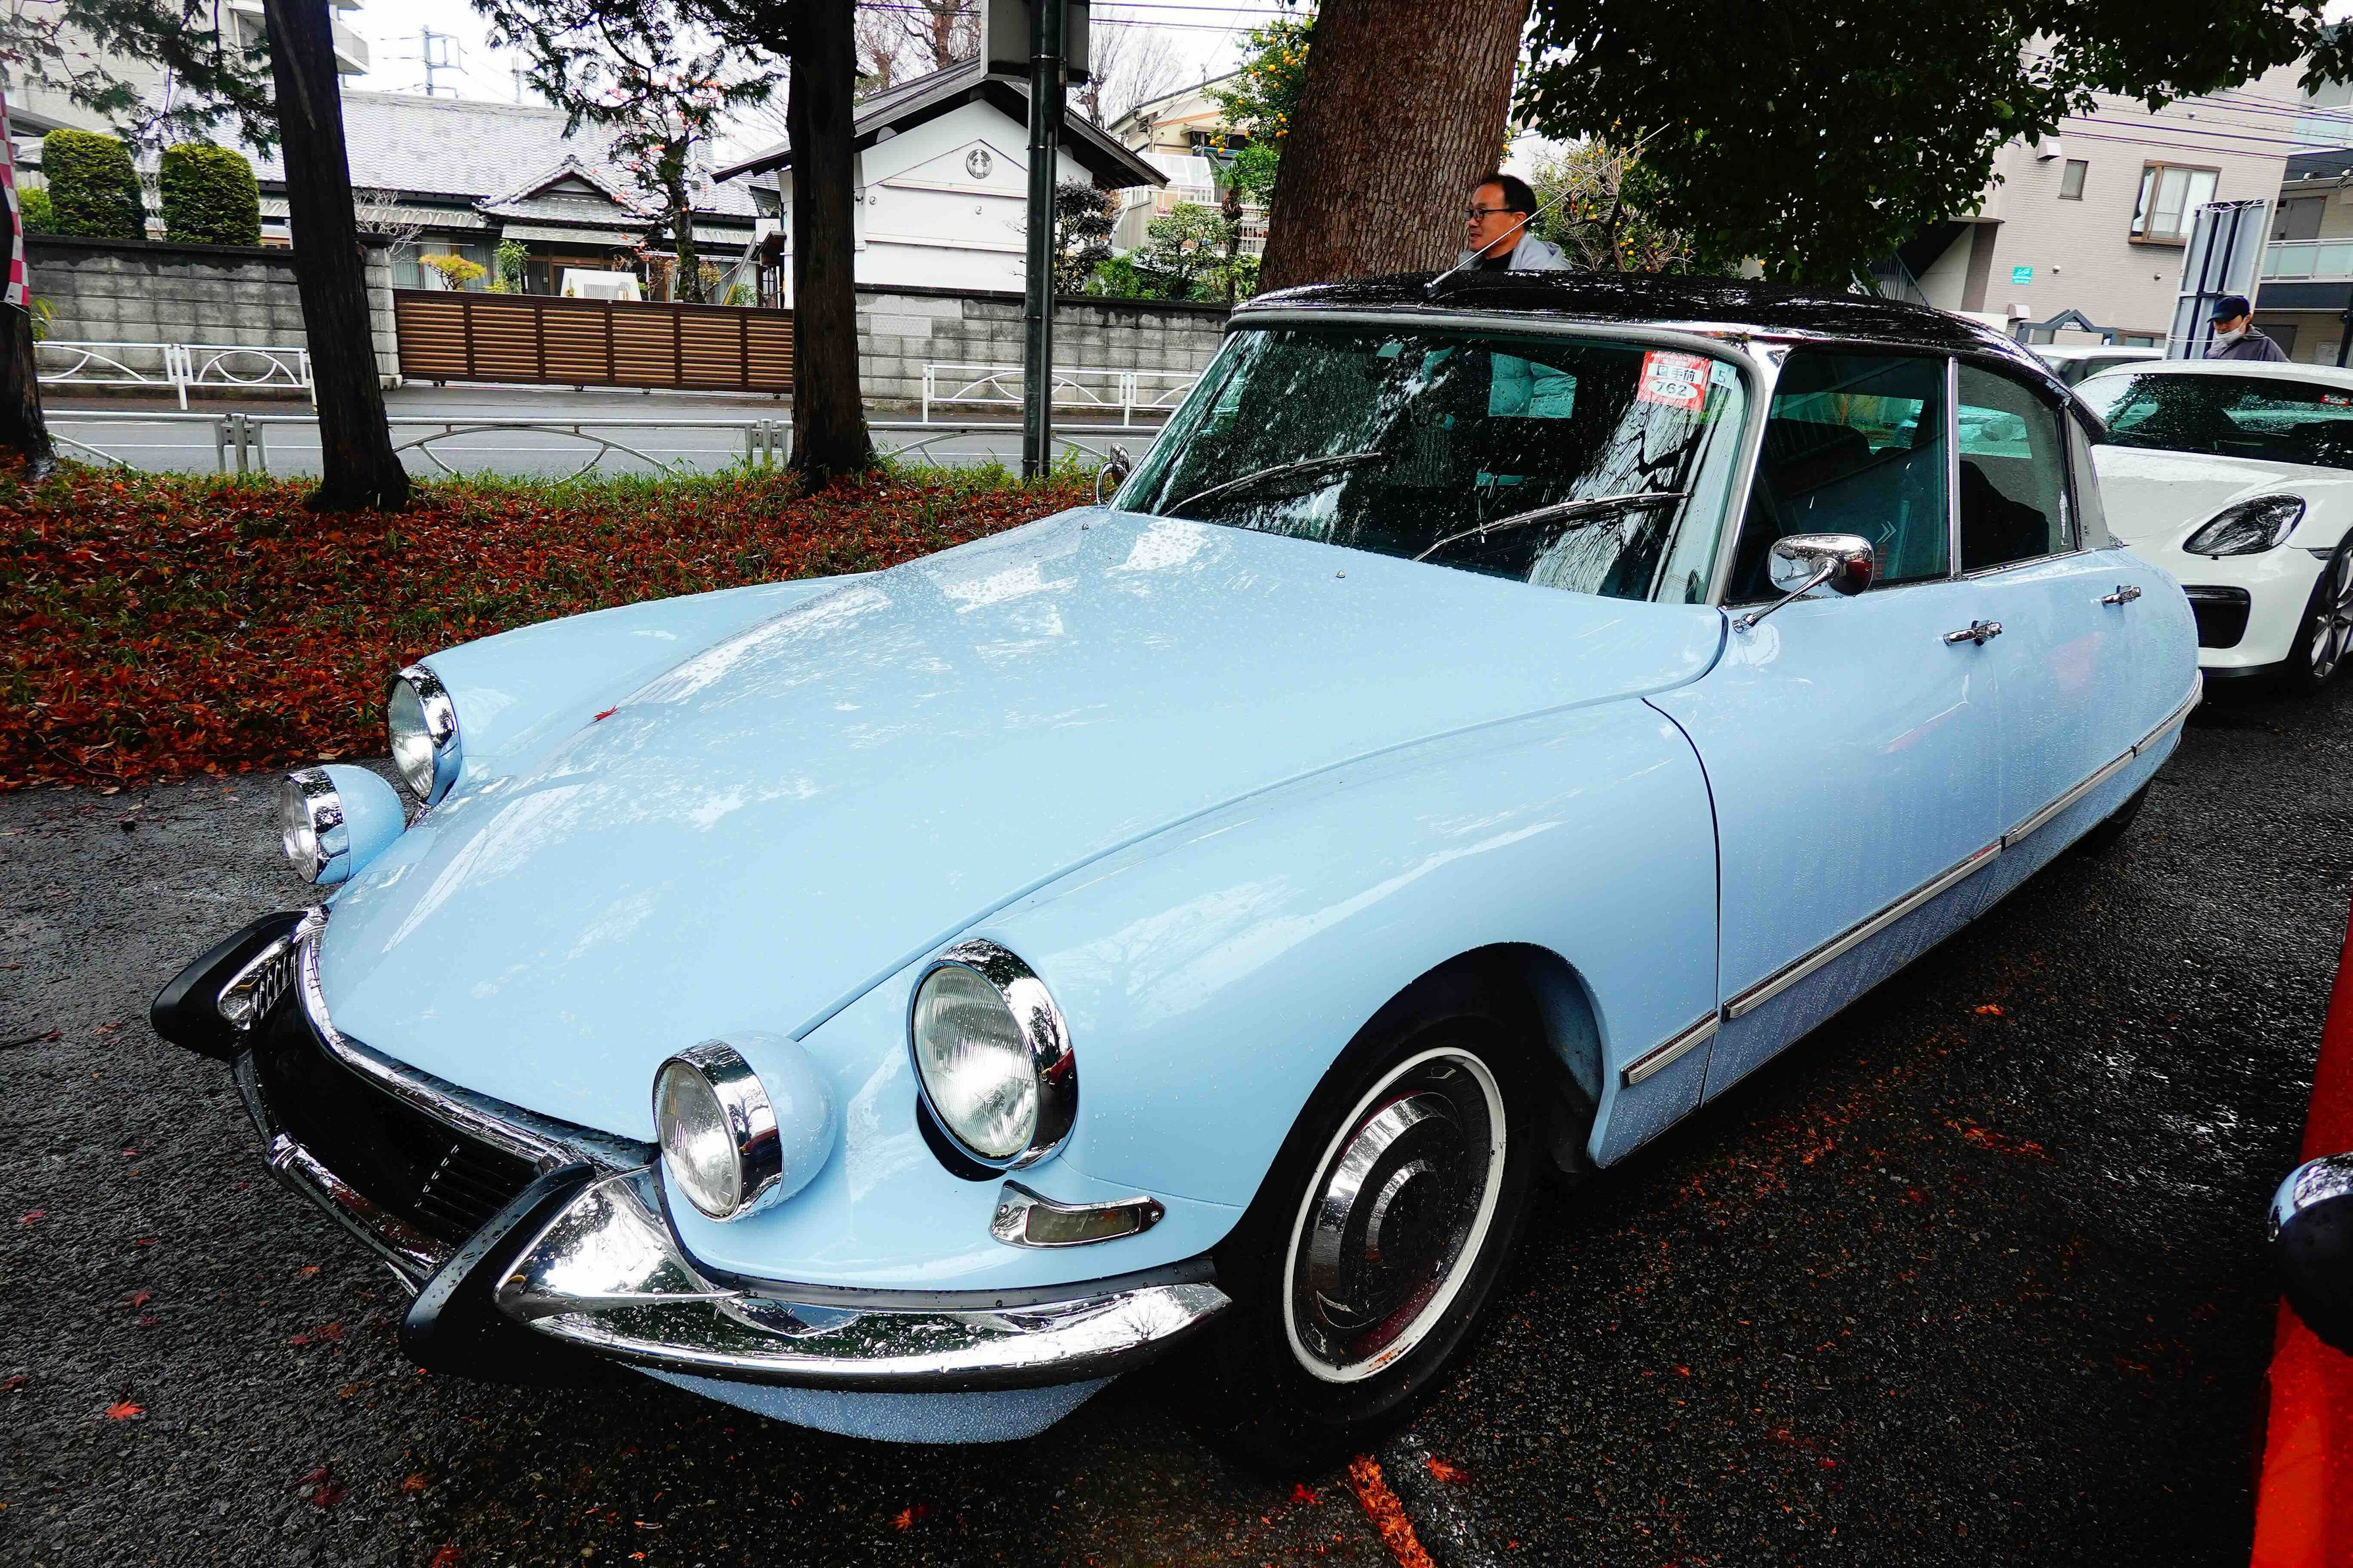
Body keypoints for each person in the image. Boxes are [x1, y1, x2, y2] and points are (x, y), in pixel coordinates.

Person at [1459, 173, 1566, 272]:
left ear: (1517, 220)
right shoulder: (1468, 265)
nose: (1472, 223)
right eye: (1472, 213)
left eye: (1481, 212)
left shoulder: (1546, 273)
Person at [2206, 295, 2289, 362]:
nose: (2223, 326)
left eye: (2228, 320)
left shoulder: (2263, 346)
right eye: (2218, 322)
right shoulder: (2214, 350)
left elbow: (2283, 374)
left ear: (2247, 318)